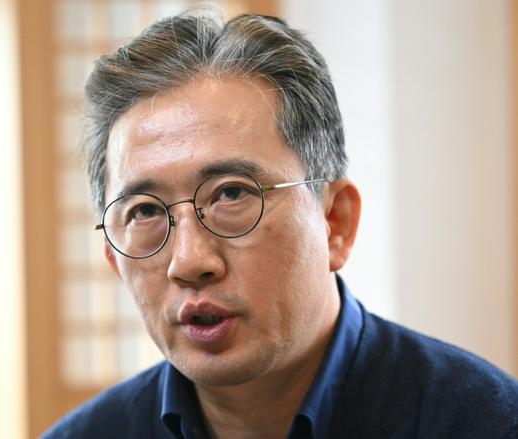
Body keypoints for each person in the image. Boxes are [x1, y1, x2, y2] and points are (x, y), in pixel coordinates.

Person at [43, 10, 518, 439]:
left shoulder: (485, 421)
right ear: (114, 259)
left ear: (335, 221)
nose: (188, 261)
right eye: (145, 211)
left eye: (232, 193)